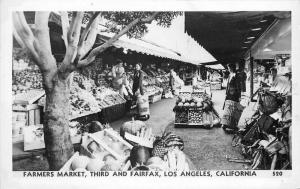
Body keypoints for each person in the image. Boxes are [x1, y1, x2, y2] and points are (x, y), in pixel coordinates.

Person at [221, 63, 243, 133]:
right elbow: (228, 85)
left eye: (230, 68)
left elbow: (239, 87)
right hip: (229, 95)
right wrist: (226, 93)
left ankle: (233, 125)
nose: (229, 69)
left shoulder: (236, 75)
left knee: (233, 110)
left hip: (235, 95)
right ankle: (225, 123)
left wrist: (239, 96)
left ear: (233, 68)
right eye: (228, 68)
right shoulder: (230, 75)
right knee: (228, 108)